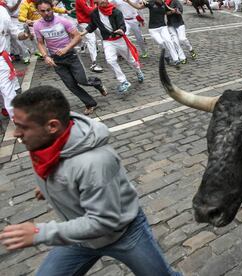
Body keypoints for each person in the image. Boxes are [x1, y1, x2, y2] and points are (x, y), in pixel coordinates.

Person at [0, 86, 181, 276]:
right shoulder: (44, 143)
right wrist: (51, 187)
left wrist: (39, 233)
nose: (16, 134)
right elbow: (64, 172)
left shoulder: (95, 162)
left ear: (52, 126)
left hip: (123, 234)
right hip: (79, 236)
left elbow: (103, 221)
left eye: (23, 127)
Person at [34, 0, 107, 115]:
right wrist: (46, 56)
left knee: (82, 80)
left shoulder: (63, 21)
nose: (46, 13)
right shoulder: (37, 25)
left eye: (48, 10)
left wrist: (66, 48)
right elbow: (40, 42)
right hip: (56, 59)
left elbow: (77, 37)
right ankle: (90, 103)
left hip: (70, 55)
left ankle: (97, 83)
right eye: (42, 11)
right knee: (71, 85)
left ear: (52, 8)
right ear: (38, 11)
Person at [80, 0, 145, 93]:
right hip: (107, 41)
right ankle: (123, 81)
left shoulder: (116, 11)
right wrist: (82, 33)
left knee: (131, 59)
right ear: (96, 1)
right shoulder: (94, 13)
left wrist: (121, 30)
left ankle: (138, 71)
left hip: (119, 40)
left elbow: (122, 25)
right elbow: (92, 25)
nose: (102, 1)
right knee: (110, 60)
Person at [124, 0, 181, 66]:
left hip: (163, 27)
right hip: (153, 29)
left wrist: (175, 10)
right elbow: (138, 7)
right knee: (161, 42)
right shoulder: (150, 3)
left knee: (169, 41)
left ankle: (176, 59)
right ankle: (166, 55)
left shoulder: (163, 4)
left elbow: (168, 11)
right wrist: (129, 2)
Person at [0, 1, 20, 118]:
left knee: (8, 91)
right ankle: (4, 107)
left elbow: (15, 31)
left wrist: (23, 34)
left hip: (1, 60)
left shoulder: (2, 11)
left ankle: (19, 122)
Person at [75, 0, 104, 72]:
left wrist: (96, 6)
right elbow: (89, 12)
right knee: (91, 40)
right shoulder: (80, 0)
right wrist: (97, 6)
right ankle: (94, 62)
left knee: (104, 36)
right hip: (84, 22)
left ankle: (111, 53)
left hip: (94, 21)